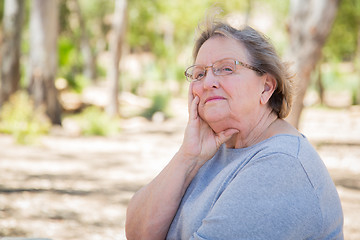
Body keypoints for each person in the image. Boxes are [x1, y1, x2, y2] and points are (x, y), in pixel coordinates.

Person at [125, 12, 344, 240]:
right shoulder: (210, 151)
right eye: (199, 73)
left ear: (266, 88)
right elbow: (137, 232)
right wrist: (187, 156)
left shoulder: (281, 164)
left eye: (227, 68)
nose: (208, 82)